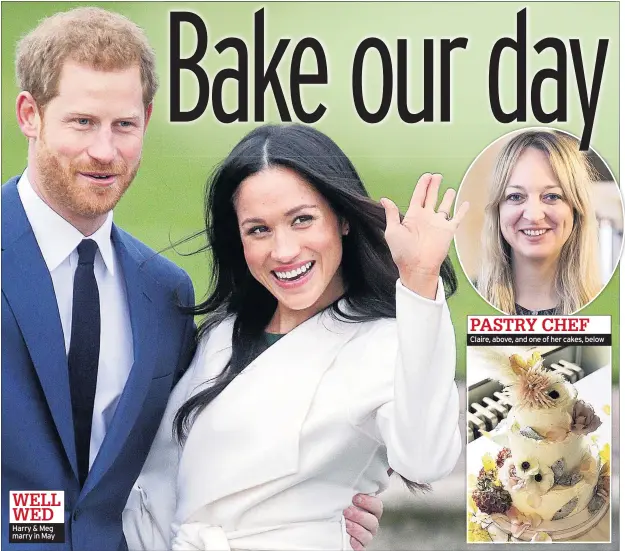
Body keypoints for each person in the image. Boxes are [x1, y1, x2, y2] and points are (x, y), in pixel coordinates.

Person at [2, 9, 380, 551]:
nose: (105, 151)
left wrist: (319, 503)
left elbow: (184, 457)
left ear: (146, 120)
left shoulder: (164, 293)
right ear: (30, 114)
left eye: (124, 125)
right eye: (82, 121)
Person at [123, 124, 467, 550]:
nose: (284, 251)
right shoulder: (222, 333)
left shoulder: (386, 343)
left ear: (341, 218)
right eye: (258, 230)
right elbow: (163, 482)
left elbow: (427, 458)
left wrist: (419, 282)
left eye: (302, 220)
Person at [476, 130, 601, 315]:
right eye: (516, 196)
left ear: (576, 209)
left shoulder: (612, 307)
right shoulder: (463, 302)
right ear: (498, 210)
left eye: (552, 196)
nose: (534, 216)